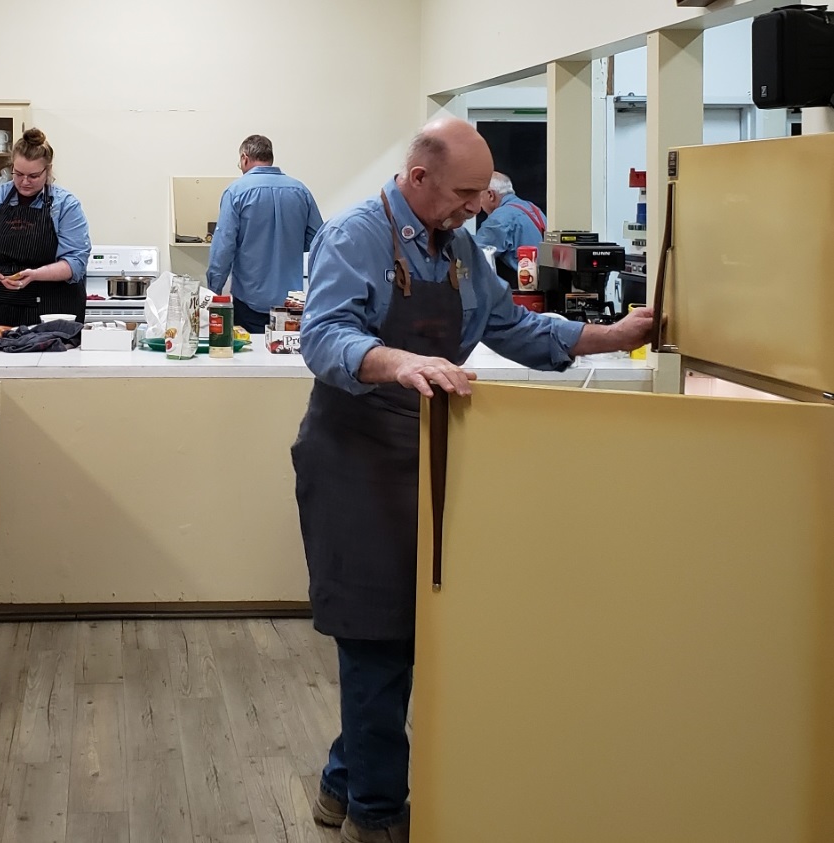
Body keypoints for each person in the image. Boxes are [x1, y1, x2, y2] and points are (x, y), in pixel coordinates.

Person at [293, 118, 654, 843]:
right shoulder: (354, 236)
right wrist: (398, 361)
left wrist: (611, 337)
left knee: (419, 635)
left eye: (478, 193)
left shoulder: (457, 247)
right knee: (375, 636)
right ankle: (375, 814)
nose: (472, 207)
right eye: (462, 193)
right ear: (418, 178)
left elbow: (511, 328)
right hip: (355, 467)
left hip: (428, 461)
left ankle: (343, 781)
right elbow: (323, 335)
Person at [0, 128, 91, 326]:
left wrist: (35, 275)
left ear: (48, 171)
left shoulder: (65, 206)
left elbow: (75, 262)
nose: (24, 182)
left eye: (33, 176)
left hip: (50, 314)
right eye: (18, 174)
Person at [206, 134, 322, 334]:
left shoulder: (236, 192)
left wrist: (213, 293)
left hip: (249, 303)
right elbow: (319, 241)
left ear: (244, 158)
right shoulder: (300, 191)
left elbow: (223, 248)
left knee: (251, 361)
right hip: (291, 305)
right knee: (285, 359)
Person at [475, 171, 546, 284]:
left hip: (520, 290)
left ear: (490, 195)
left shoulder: (500, 218)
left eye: (478, 196)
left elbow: (476, 253)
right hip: (542, 285)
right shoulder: (533, 208)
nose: (478, 203)